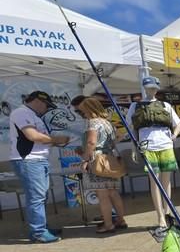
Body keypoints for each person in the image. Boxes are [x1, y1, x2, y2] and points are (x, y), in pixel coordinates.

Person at [9, 91, 70, 243]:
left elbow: (40, 138)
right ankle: (38, 232)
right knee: (36, 197)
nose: (47, 109)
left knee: (41, 196)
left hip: (38, 160)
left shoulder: (33, 115)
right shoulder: (21, 113)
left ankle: (41, 228)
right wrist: (58, 139)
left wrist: (55, 141)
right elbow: (33, 136)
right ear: (37, 101)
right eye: (46, 105)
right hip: (29, 160)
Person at [126, 77, 180, 237]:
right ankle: (160, 219)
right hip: (147, 147)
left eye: (155, 88)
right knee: (155, 182)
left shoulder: (166, 105)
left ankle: (167, 213)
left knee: (166, 181)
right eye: (149, 88)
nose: (152, 90)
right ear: (144, 88)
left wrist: (174, 136)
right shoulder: (135, 106)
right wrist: (134, 147)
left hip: (166, 146)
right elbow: (132, 129)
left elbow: (178, 123)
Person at [77, 97, 127, 233]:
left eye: (83, 111)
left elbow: (91, 142)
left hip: (97, 160)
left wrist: (86, 159)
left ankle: (108, 224)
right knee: (113, 193)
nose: (83, 114)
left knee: (102, 195)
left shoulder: (92, 123)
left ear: (89, 109)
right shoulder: (107, 123)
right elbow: (119, 136)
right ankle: (121, 220)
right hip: (110, 159)